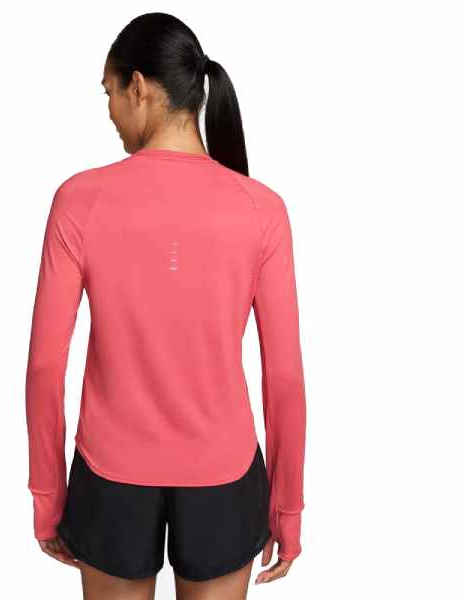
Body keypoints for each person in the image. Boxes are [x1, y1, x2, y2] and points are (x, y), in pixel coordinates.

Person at [25, 12, 307, 600]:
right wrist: (287, 505)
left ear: (139, 87)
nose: (109, 112)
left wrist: (48, 495)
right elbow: (283, 375)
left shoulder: (79, 200)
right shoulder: (262, 209)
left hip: (110, 476)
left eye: (109, 93)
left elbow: (46, 367)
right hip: (225, 474)